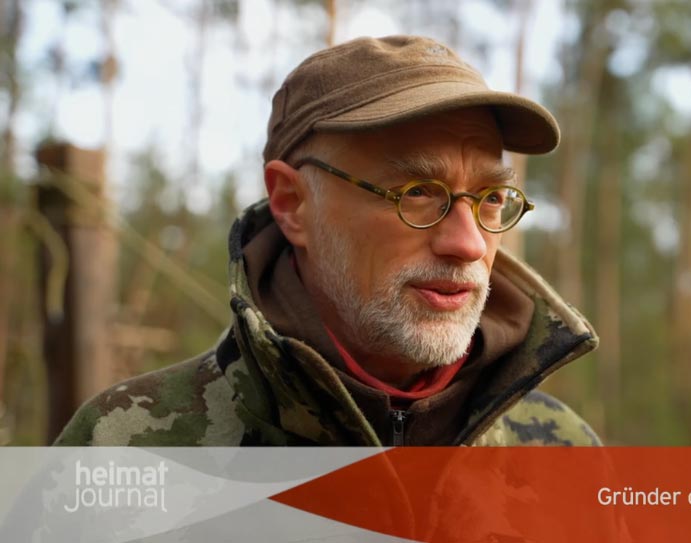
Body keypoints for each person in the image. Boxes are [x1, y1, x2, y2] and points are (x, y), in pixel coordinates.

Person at [54, 35, 600, 447]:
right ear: (292, 203)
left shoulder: (563, 451)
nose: (469, 244)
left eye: (489, 198)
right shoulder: (125, 447)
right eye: (416, 192)